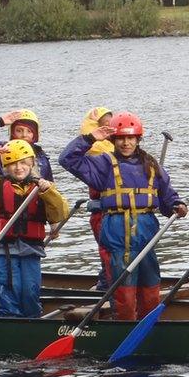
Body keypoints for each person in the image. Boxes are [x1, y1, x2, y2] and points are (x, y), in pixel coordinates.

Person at [59, 112, 188, 320]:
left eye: (130, 138)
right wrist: (90, 138)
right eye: (121, 138)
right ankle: (123, 328)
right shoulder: (103, 164)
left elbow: (167, 196)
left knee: (150, 291)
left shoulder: (152, 166)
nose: (126, 143)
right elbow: (67, 159)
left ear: (138, 139)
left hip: (146, 237)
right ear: (113, 140)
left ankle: (149, 328)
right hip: (117, 238)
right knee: (124, 296)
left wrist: (177, 204)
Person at [0, 139, 69, 317]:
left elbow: (59, 213)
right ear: (5, 166)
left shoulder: (42, 188)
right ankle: (8, 317)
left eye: (23, 163)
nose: (18, 168)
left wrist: (49, 192)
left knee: (29, 289)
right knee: (3, 286)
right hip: (1, 248)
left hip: (30, 248)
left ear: (32, 164)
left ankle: (32, 318)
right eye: (12, 164)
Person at [80, 107, 115, 290]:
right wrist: (92, 127)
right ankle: (104, 286)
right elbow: (89, 138)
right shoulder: (97, 149)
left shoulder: (116, 146)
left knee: (116, 255)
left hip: (118, 214)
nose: (109, 128)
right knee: (108, 255)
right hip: (102, 213)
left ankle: (106, 283)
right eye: (104, 125)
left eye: (112, 124)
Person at [0, 109, 53, 180]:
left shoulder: (42, 157)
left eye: (29, 131)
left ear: (35, 134)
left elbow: (51, 186)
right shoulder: (1, 151)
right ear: (12, 133)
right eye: (19, 131)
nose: (24, 135)